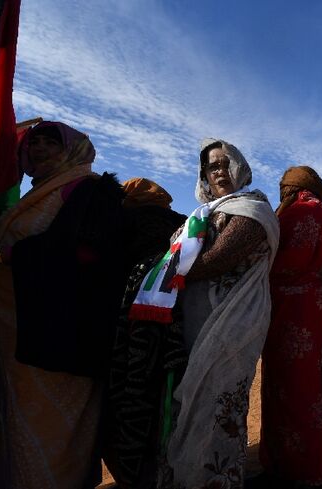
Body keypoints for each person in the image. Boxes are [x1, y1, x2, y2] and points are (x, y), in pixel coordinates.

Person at [126, 139, 279, 488]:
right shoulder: (202, 214)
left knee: (218, 403)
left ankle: (218, 479)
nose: (220, 171)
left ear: (239, 167)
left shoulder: (253, 209)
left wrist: (165, 271)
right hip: (195, 320)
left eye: (226, 164)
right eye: (212, 166)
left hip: (234, 321)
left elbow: (216, 260)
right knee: (189, 404)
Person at [0, 122, 125, 488]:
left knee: (54, 431)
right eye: (34, 143)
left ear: (71, 151)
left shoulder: (89, 191)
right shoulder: (31, 196)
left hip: (60, 338)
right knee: (16, 425)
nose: (40, 148)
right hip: (14, 335)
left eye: (50, 143)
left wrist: (0, 255)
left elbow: (86, 252)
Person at [105, 178, 186, 489]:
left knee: (131, 394)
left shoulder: (122, 222)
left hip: (130, 320)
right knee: (166, 394)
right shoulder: (182, 223)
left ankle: (134, 472)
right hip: (176, 320)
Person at [261, 166, 322, 486]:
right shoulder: (313, 209)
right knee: (287, 384)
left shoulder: (304, 210)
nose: (281, 191)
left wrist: (257, 268)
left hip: (296, 307)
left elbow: (294, 259)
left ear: (294, 186)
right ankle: (284, 465)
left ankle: (305, 471)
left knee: (297, 390)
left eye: (284, 186)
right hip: (299, 305)